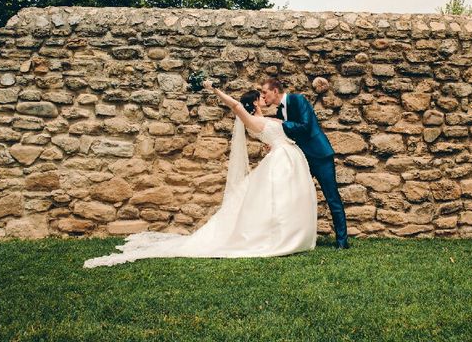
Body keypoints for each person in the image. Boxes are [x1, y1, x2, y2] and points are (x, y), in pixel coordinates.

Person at [83, 82, 317, 268]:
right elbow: (235, 106)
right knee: (275, 199)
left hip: (285, 157)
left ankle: (289, 236)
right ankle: (279, 238)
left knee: (284, 199)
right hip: (280, 159)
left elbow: (281, 129)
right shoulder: (250, 118)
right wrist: (213, 89)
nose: (264, 98)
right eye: (261, 96)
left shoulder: (263, 118)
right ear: (255, 102)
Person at [260, 78, 349, 249]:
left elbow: (306, 126)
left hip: (320, 155)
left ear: (275, 91)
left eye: (265, 92)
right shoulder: (279, 111)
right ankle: (294, 239)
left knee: (332, 197)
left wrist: (282, 124)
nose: (263, 96)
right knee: (294, 196)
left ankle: (342, 241)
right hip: (300, 158)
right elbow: (286, 134)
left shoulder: (298, 100)